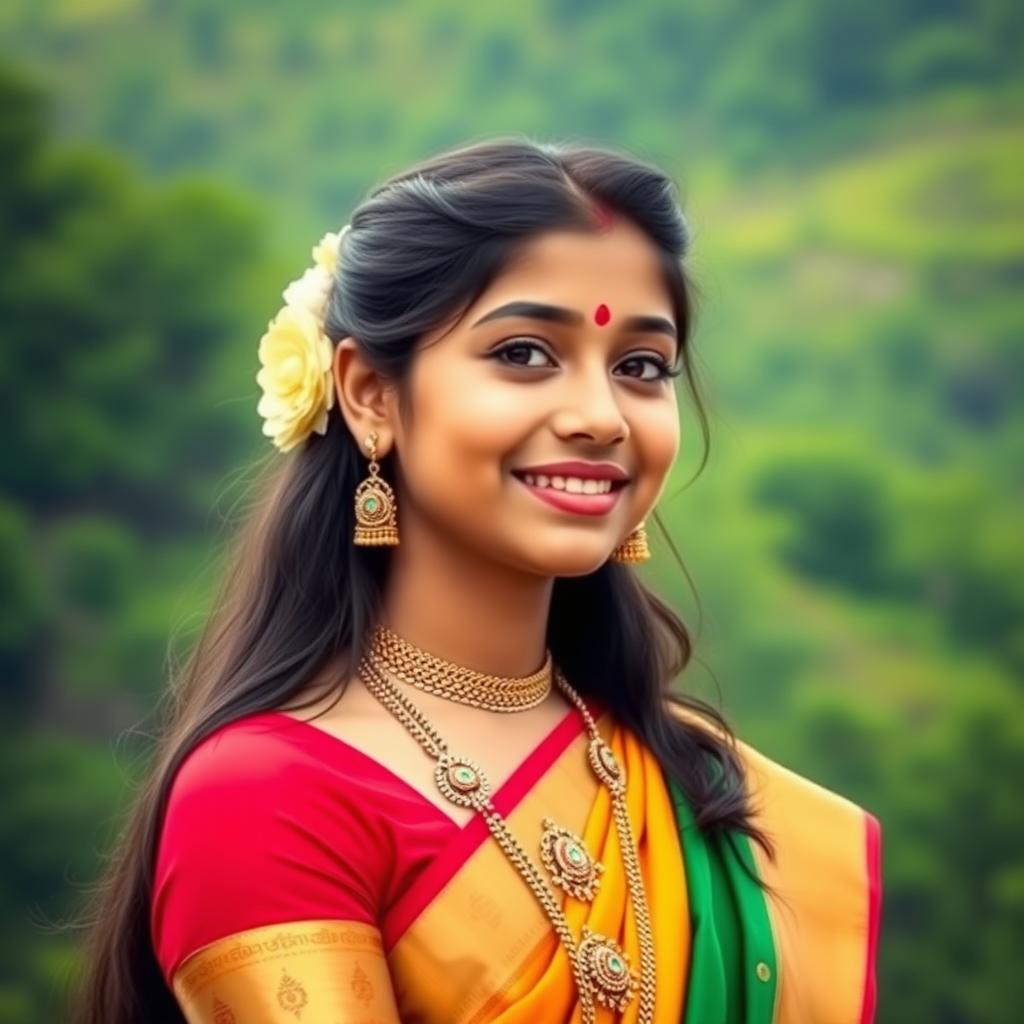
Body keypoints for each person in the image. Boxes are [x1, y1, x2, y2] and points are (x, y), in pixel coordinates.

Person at [72, 137, 881, 1023]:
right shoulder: (269, 798)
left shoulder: (696, 783)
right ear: (371, 394)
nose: (600, 417)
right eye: (526, 353)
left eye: (641, 368)